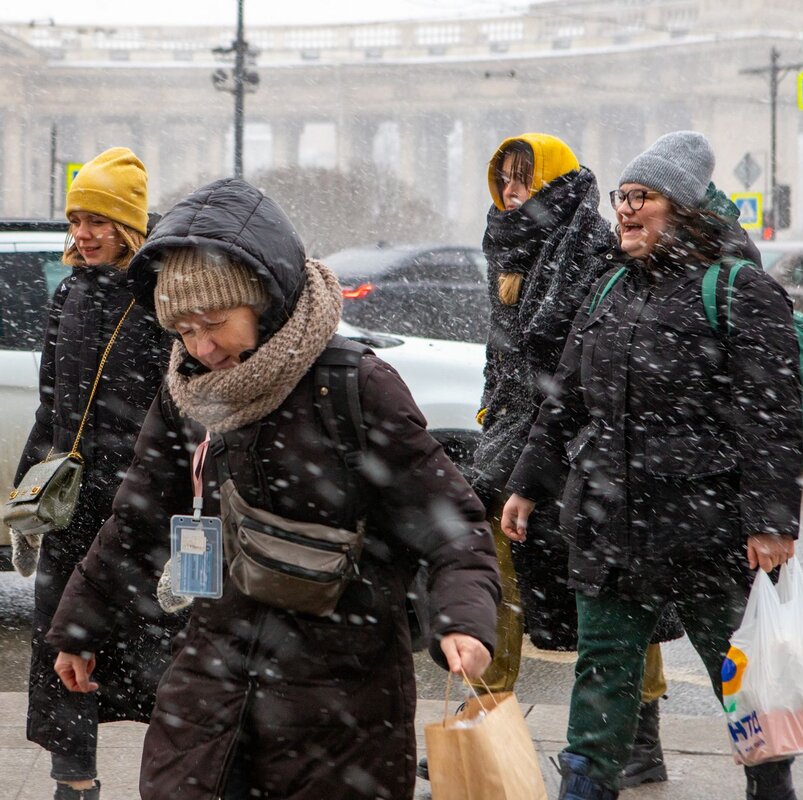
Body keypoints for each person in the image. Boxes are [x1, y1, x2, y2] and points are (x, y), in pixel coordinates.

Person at [47, 177, 503, 800]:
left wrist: (464, 621)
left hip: (341, 696)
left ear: (264, 300)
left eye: (214, 324)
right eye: (182, 331)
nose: (201, 349)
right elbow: (138, 517)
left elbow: (451, 522)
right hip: (210, 681)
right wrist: (80, 625)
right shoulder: (187, 391)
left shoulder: (354, 385)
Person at [501, 131, 803, 800]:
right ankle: (585, 787)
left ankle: (770, 784)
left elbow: (771, 417)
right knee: (603, 669)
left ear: (685, 208)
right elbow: (566, 398)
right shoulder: (610, 284)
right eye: (623, 196)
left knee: (737, 669)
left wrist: (772, 521)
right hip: (610, 520)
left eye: (643, 197)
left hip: (706, 526)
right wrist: (528, 483)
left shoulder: (738, 288)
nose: (626, 209)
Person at [466, 133, 678, 790]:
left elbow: (584, 360)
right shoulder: (511, 248)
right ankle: (485, 723)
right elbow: (506, 359)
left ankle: (640, 735)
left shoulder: (589, 249)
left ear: (554, 184)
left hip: (579, 444)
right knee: (496, 576)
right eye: (503, 181)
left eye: (523, 181)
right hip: (517, 437)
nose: (511, 193)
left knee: (616, 590)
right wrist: (495, 416)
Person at [11, 147, 176, 800]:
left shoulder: (160, 298)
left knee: (162, 653)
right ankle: (73, 783)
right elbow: (52, 408)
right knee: (64, 646)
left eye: (97, 221)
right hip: (76, 507)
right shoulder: (71, 291)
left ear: (128, 224)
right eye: (76, 220)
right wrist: (27, 496)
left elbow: (182, 410)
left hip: (143, 509)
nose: (83, 234)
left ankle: (177, 778)